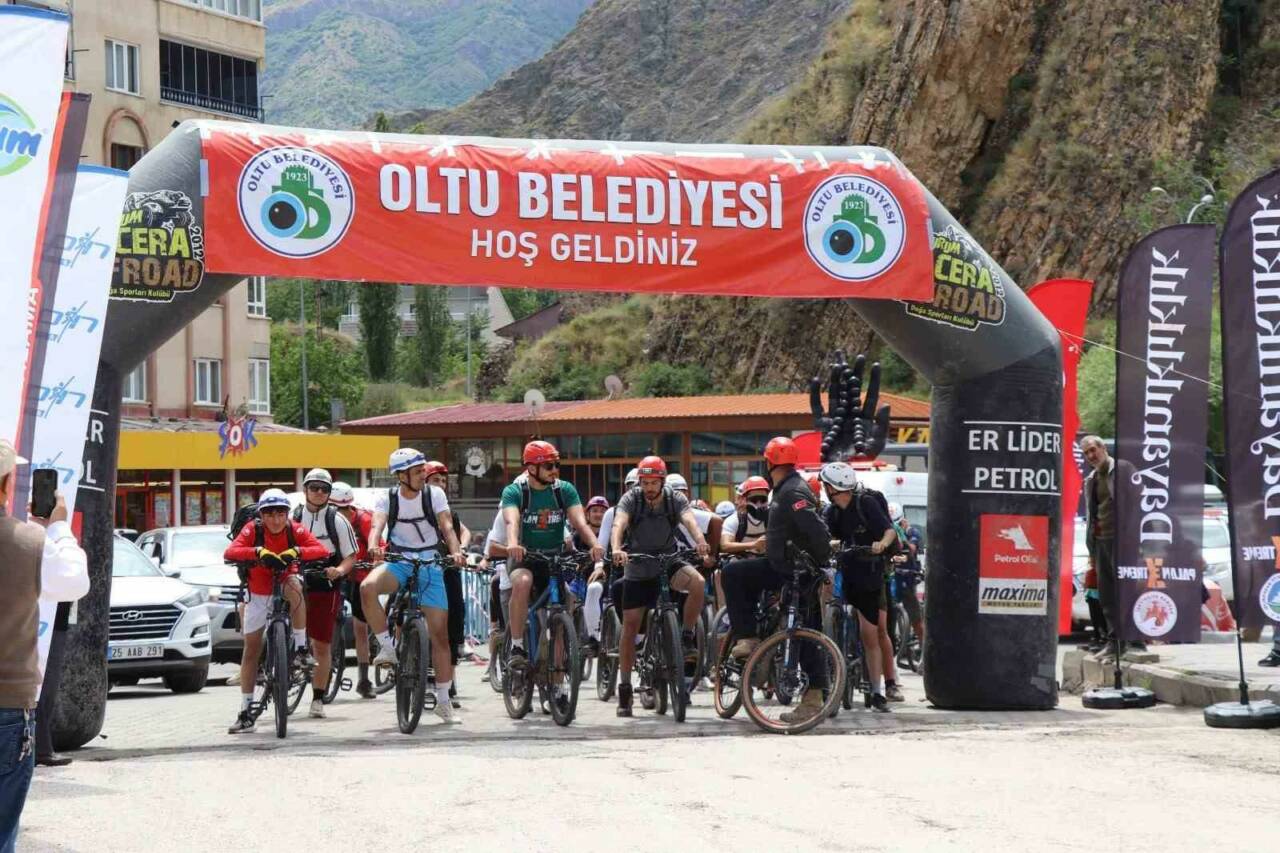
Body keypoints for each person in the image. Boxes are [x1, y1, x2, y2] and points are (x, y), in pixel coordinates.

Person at [0, 441, 88, 848]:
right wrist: (58, 528)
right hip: (7, 704)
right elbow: (73, 582)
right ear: (7, 486)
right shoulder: (30, 543)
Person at [720, 437, 832, 722]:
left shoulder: (792, 492)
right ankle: (751, 637)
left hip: (796, 571)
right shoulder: (785, 490)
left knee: (806, 631)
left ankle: (749, 638)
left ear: (769, 462)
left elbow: (817, 532)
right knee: (735, 574)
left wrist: (818, 563)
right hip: (783, 566)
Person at [363, 448, 465, 724]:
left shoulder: (435, 494)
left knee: (440, 637)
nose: (424, 475)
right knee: (367, 587)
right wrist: (374, 546)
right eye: (418, 471)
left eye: (423, 470)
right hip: (399, 560)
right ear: (401, 475)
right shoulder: (388, 497)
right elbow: (377, 525)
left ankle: (444, 701)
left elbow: (447, 527)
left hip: (431, 562)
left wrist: (456, 552)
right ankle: (386, 646)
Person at [609, 455, 709, 717]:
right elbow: (619, 523)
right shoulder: (632, 498)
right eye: (645, 482)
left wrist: (700, 541)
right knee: (630, 626)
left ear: (663, 481)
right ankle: (626, 687)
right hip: (639, 567)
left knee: (698, 583)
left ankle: (685, 636)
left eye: (654, 482)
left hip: (668, 562)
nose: (649, 487)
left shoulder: (674, 498)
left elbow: (689, 520)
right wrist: (617, 549)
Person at [224, 489, 328, 734]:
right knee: (251, 649)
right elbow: (230, 552)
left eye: (281, 513)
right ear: (262, 514)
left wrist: (297, 552)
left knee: (295, 586)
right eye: (270, 514)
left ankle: (301, 649)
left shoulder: (295, 529)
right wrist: (258, 552)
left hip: (284, 581)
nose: (276, 519)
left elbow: (321, 550)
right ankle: (246, 711)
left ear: (286, 514)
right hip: (258, 593)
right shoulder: (252, 529)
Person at [502, 441, 603, 676]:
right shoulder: (515, 492)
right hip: (525, 557)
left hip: (554, 559)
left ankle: (558, 685)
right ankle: (517, 647)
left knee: (563, 608)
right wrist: (513, 543)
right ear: (531, 468)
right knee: (523, 582)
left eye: (556, 464)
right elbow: (511, 521)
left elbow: (579, 521)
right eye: (548, 465)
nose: (554, 469)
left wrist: (595, 543)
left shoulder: (564, 490)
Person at [823, 464, 897, 711]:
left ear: (831, 487)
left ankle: (877, 691)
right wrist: (829, 543)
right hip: (846, 572)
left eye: (826, 485)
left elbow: (889, 531)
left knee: (870, 633)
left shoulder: (866, 504)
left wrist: (881, 545)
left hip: (869, 573)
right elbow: (824, 537)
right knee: (829, 605)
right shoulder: (831, 513)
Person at [292, 468, 359, 718]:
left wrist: (339, 571)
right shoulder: (293, 516)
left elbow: (351, 556)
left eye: (324, 489)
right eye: (314, 488)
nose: (319, 493)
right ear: (305, 490)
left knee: (321, 644)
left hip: (324, 582)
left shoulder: (337, 520)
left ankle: (317, 698)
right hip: (296, 578)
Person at [33, 491, 90, 769]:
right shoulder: (29, 536)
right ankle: (39, 747)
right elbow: (73, 578)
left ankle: (40, 745)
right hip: (43, 616)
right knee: (40, 683)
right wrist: (58, 528)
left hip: (53, 613)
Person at [1081, 435, 1145, 658]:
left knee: (1127, 589)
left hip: (1123, 541)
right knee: (1106, 595)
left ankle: (1134, 640)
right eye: (1086, 453)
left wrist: (1133, 537)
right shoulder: (1091, 479)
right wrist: (1091, 546)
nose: (1091, 455)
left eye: (1093, 450)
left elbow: (1137, 503)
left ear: (1103, 448)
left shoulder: (1124, 469)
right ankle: (1114, 641)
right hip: (1101, 541)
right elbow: (1092, 514)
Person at [424, 460, 471, 704]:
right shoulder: (416, 508)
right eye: (435, 480)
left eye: (443, 481)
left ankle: (449, 683)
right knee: (408, 616)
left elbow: (463, 530)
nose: (440, 485)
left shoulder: (448, 511)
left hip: (448, 571)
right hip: (422, 571)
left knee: (452, 624)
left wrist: (460, 549)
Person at [329, 481, 378, 698]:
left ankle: (364, 679)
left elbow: (379, 546)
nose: (335, 514)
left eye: (339, 510)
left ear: (349, 508)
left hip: (361, 577)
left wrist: (375, 559)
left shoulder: (365, 520)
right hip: (338, 574)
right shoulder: (326, 520)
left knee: (360, 628)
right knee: (327, 621)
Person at [888, 502, 925, 658]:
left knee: (916, 617)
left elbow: (912, 550)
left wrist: (902, 538)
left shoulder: (912, 532)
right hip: (892, 576)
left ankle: (924, 650)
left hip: (907, 578)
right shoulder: (888, 531)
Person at [578, 496, 610, 657]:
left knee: (595, 588)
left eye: (603, 511)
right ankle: (592, 637)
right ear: (587, 514)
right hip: (581, 581)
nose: (599, 514)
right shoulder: (578, 536)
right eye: (595, 511)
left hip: (608, 580)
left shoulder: (614, 535)